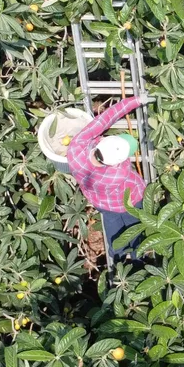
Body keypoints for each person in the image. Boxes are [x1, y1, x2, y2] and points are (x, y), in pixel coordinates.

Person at [66, 94, 153, 258]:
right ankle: (137, 262)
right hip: (131, 203)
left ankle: (118, 264)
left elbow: (103, 120)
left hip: (104, 206)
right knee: (135, 233)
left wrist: (133, 101)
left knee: (115, 237)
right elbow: (136, 182)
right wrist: (136, 101)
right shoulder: (119, 172)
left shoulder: (76, 149)